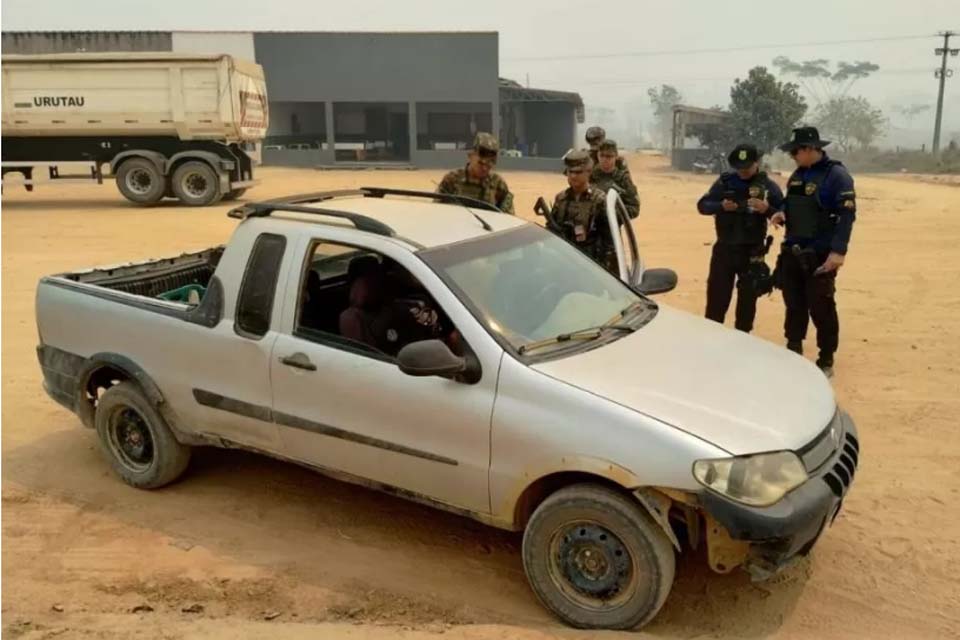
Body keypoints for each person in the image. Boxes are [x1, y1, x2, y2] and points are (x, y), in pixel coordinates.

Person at [772, 126, 857, 377]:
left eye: (795, 152)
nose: (793, 157)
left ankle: (826, 358)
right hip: (793, 251)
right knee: (794, 303)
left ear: (810, 149)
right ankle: (793, 348)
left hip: (819, 254)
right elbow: (790, 202)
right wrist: (781, 212)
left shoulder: (837, 176)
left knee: (821, 306)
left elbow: (847, 215)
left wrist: (838, 252)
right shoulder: (798, 174)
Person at [697, 144, 784, 333]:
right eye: (739, 168)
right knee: (716, 301)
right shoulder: (726, 182)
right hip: (725, 250)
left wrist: (767, 210)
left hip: (751, 253)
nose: (743, 172)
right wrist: (721, 206)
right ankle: (712, 339)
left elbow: (785, 216)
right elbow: (703, 206)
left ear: (757, 163)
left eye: (747, 167)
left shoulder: (767, 187)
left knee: (747, 303)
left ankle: (742, 339)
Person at [549, 150, 616, 274]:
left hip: (591, 266)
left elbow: (609, 242)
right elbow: (551, 234)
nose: (573, 176)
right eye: (570, 172)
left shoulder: (599, 200)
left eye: (578, 172)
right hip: (563, 264)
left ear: (588, 172)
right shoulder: (561, 199)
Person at [437, 132, 514, 213]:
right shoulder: (451, 180)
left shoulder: (498, 184)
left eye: (489, 165)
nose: (484, 168)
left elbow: (508, 217)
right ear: (470, 156)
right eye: (480, 163)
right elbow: (438, 212)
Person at [590, 139, 640, 219]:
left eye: (609, 156)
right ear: (597, 155)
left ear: (616, 156)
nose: (605, 159)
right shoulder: (589, 176)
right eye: (602, 155)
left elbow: (634, 209)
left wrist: (611, 212)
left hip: (611, 227)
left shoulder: (622, 179)